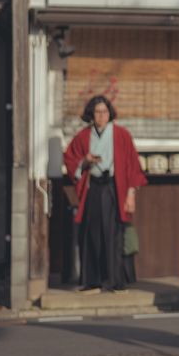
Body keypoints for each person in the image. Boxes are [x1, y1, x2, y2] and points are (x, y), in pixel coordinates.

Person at [63, 96, 147, 293]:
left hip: (114, 187)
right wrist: (85, 160)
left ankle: (116, 281)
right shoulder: (83, 136)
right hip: (93, 187)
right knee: (91, 232)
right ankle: (92, 281)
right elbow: (70, 158)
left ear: (110, 114)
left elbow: (133, 165)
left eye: (105, 112)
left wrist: (131, 193)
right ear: (91, 114)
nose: (101, 116)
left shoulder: (121, 134)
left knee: (114, 234)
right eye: (97, 112)